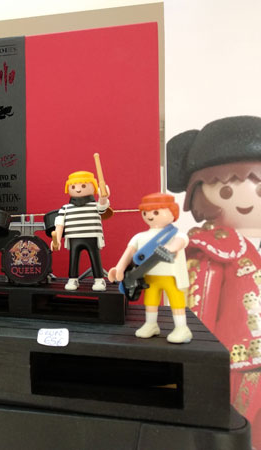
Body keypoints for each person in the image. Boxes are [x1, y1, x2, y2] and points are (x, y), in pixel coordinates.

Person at [167, 115, 261, 445]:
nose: (247, 199)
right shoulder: (210, 249)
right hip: (237, 363)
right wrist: (194, 362)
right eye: (226, 189)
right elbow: (198, 312)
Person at [108, 193, 192, 344]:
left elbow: (180, 242)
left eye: (156, 212)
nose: (150, 216)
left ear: (172, 212)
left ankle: (182, 327)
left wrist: (171, 248)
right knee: (150, 301)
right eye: (145, 213)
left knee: (176, 301)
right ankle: (151, 324)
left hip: (172, 277)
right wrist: (119, 268)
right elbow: (129, 253)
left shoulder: (176, 234)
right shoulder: (139, 237)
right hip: (149, 278)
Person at [54, 171, 109, 291]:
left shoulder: (95, 205)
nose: (78, 189)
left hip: (92, 236)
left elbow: (102, 207)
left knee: (95, 257)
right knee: (73, 258)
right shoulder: (66, 208)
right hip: (73, 237)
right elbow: (59, 224)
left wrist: (103, 197)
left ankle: (99, 279)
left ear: (94, 186)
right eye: (73, 187)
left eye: (83, 186)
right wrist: (57, 239)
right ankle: (73, 279)